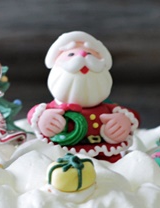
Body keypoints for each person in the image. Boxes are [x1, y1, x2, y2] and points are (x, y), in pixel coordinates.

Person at [27, 31, 140, 160]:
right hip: (61, 155)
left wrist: (121, 124)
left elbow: (133, 117)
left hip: (104, 155)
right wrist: (44, 120)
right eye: (71, 54)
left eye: (89, 54)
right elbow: (33, 116)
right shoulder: (52, 109)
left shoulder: (108, 109)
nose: (82, 55)